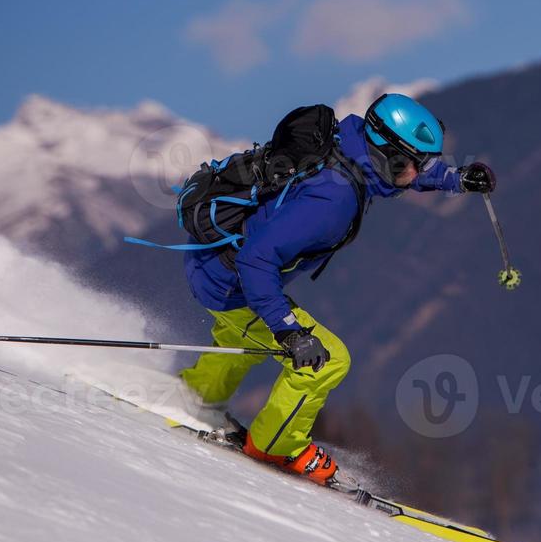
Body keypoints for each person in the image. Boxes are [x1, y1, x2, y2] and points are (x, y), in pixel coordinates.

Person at [178, 93, 496, 484]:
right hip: (230, 281)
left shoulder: (349, 143)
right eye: (412, 165)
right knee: (326, 361)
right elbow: (257, 261)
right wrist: (289, 329)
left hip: (212, 260)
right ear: (387, 156)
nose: (416, 174)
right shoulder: (333, 198)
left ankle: (194, 396)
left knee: (244, 340)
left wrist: (455, 179)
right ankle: (274, 445)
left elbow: (399, 173)